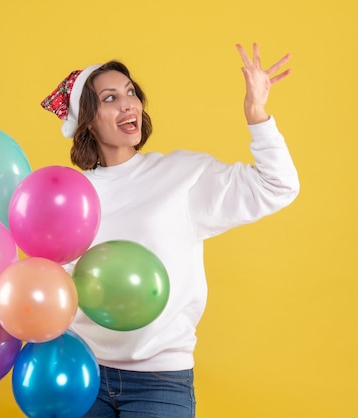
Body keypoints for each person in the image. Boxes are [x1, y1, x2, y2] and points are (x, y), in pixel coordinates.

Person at [40, 43, 299, 417]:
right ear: (88, 121)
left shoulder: (182, 174)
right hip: (80, 370)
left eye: (131, 93)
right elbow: (57, 284)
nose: (128, 104)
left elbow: (278, 186)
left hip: (158, 380)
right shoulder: (71, 195)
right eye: (110, 98)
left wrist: (257, 114)